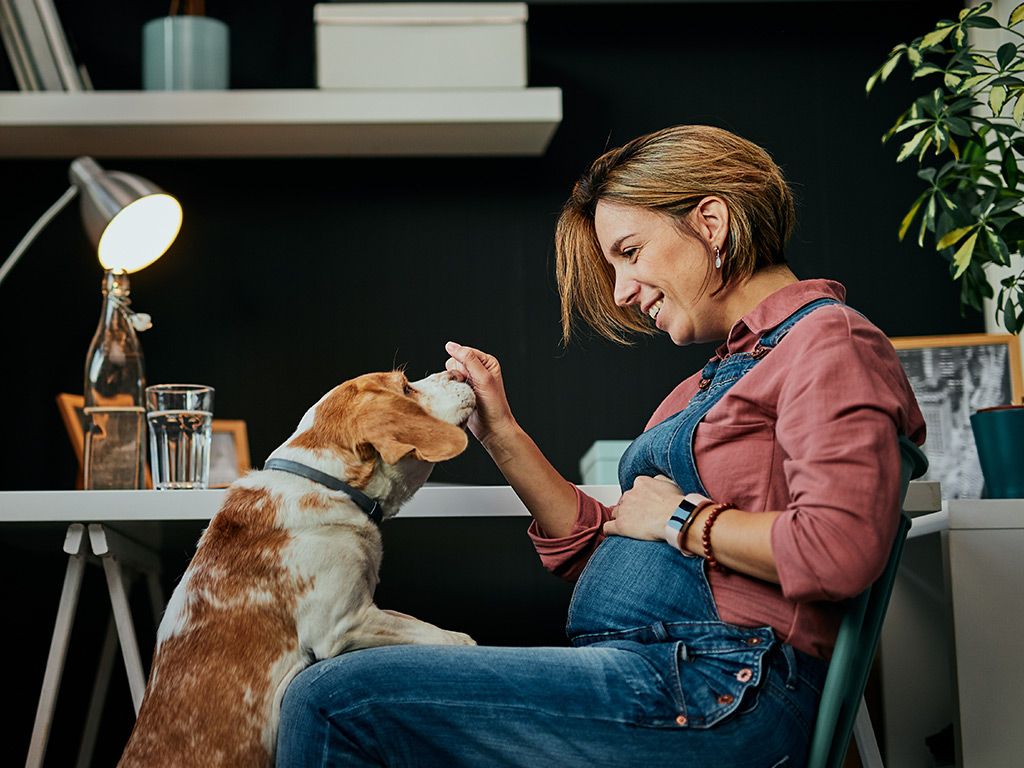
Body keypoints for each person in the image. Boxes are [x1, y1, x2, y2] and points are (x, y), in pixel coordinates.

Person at [275, 124, 925, 768]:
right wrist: (500, 432)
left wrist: (681, 519)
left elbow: (839, 551)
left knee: (335, 700)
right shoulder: (706, 383)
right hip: (655, 673)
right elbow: (600, 550)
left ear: (711, 222)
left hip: (720, 689)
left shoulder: (829, 342)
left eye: (630, 252)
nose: (620, 292)